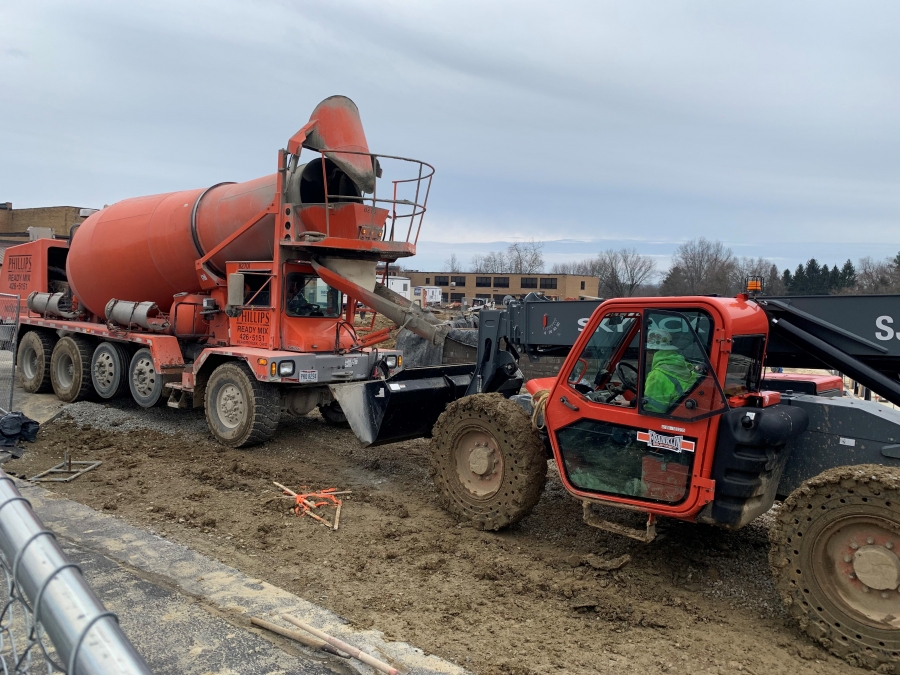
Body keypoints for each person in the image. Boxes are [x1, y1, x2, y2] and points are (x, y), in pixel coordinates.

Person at [642, 329, 698, 413]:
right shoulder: (682, 365)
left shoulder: (656, 376)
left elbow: (651, 410)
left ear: (652, 352)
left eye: (645, 351)